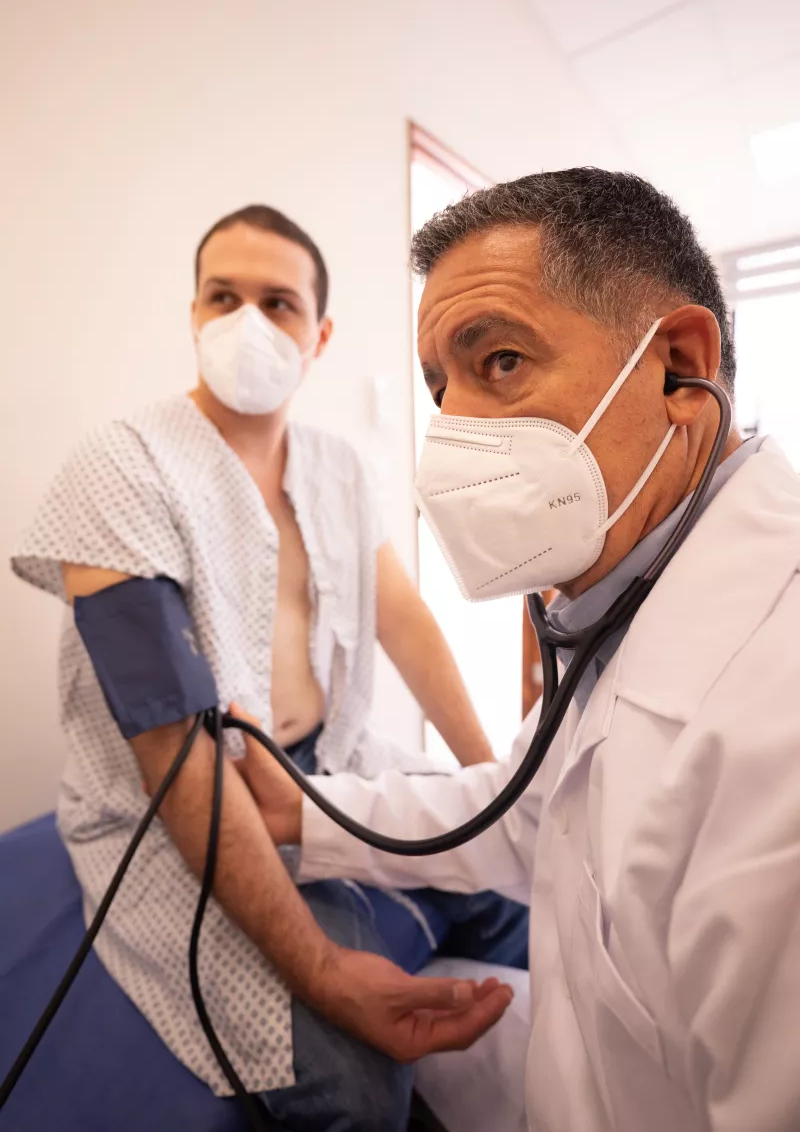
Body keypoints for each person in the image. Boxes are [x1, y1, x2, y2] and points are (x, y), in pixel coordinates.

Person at [236, 169, 800, 1132]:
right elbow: (525, 813)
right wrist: (307, 814)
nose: (451, 433)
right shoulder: (627, 592)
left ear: (677, 365)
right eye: (438, 388)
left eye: (498, 361)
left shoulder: (772, 720)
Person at [10, 204, 528, 1130]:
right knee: (358, 1086)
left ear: (318, 334)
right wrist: (324, 971)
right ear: (195, 314)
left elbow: (405, 622)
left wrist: (499, 783)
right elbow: (171, 740)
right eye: (224, 296)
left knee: (516, 884)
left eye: (278, 302)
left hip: (326, 763)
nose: (248, 322)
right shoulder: (121, 470)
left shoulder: (336, 466)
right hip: (174, 805)